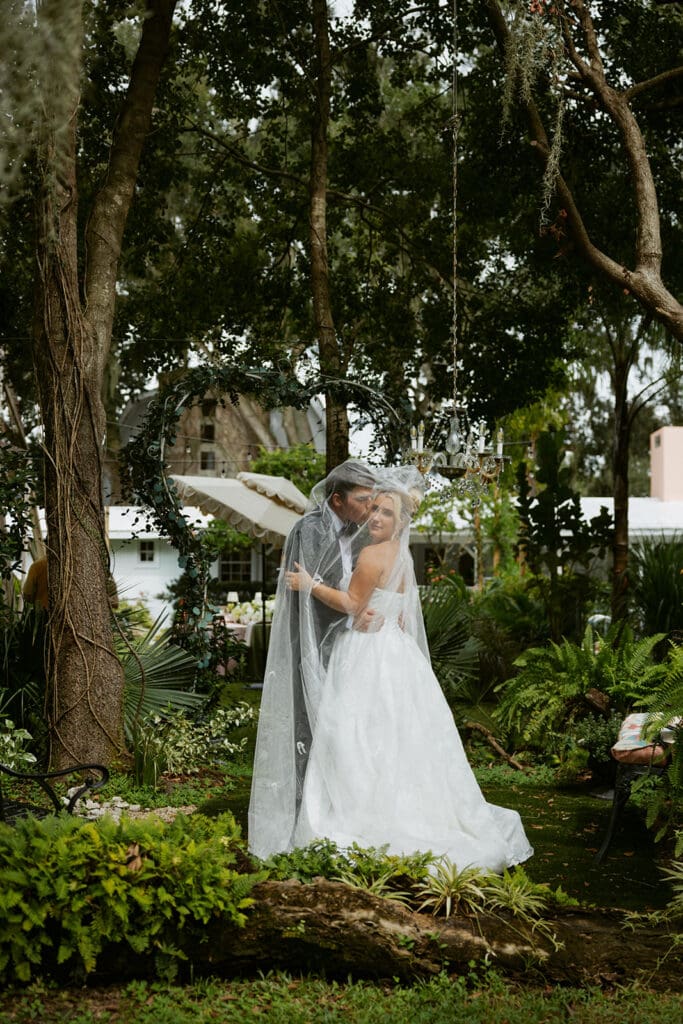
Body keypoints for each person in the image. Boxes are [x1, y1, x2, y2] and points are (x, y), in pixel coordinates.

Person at [278, 467, 533, 873]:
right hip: (397, 654)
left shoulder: (370, 553)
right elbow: (394, 607)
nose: (375, 518)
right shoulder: (402, 556)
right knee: (398, 734)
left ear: (400, 522)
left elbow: (351, 605)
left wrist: (308, 583)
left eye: (385, 513)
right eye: (373, 509)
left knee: (356, 732)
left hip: (366, 654)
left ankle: (364, 811)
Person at [248, 459, 377, 860]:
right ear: (337, 499)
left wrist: (363, 608)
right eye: (363, 500)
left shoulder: (357, 533)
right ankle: (303, 820)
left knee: (339, 729)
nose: (370, 507)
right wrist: (352, 613)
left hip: (344, 648)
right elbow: (307, 598)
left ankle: (336, 812)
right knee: (308, 727)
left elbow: (349, 584)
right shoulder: (309, 530)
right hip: (311, 643)